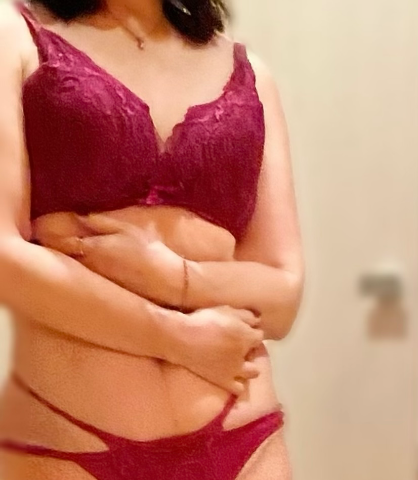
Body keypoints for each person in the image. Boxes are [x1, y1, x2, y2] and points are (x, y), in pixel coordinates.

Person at [0, 0, 304, 478]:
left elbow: (283, 294)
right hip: (70, 443)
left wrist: (172, 278)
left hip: (247, 441)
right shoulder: (15, 34)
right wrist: (177, 338)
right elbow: (5, 258)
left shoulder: (250, 74)